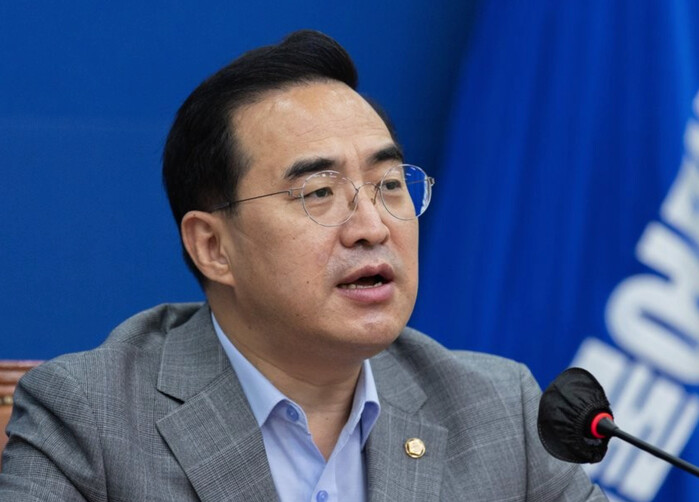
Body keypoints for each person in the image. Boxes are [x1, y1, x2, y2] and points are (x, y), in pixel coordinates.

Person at [0, 30, 606, 501]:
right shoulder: (92, 418)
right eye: (319, 193)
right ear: (213, 247)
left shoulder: (499, 414)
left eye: (390, 185)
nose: (372, 227)